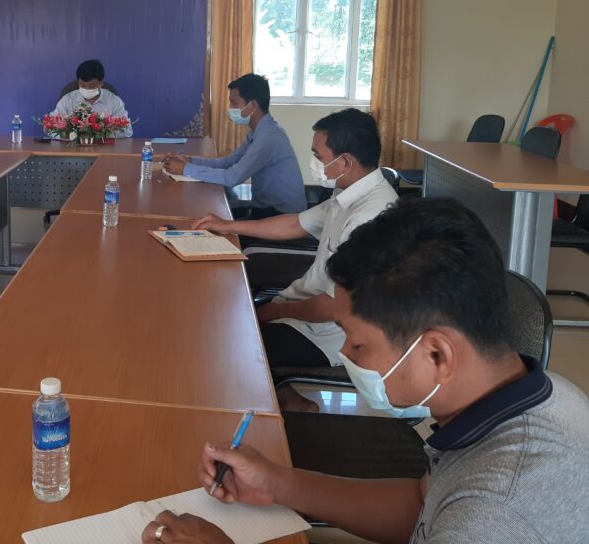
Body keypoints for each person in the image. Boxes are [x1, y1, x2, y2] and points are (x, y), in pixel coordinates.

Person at [142, 197, 589, 544]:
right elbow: (422, 506)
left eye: (358, 344)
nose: (347, 355)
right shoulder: (538, 397)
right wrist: (280, 485)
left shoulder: (496, 513)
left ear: (437, 355)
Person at [192, 108, 396, 412]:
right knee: (225, 321)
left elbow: (335, 307)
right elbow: (294, 224)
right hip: (304, 308)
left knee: (232, 347)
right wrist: (228, 225)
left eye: (318, 155)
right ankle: (287, 397)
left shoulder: (370, 216)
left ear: (345, 162)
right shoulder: (350, 192)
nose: (314, 163)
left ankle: (266, 411)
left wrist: (276, 310)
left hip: (330, 333)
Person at [163, 74, 305, 217]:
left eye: (234, 103)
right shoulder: (259, 132)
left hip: (282, 216)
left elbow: (232, 177)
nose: (230, 108)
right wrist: (189, 160)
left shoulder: (268, 137)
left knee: (206, 215)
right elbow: (228, 162)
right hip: (265, 208)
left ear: (252, 106)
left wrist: (185, 169)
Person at [51, 59, 133, 138]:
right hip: (74, 146)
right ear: (78, 83)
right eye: (82, 85)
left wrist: (101, 133)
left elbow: (127, 131)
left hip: (104, 147)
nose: (86, 89)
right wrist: (70, 135)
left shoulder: (114, 101)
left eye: (91, 86)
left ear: (101, 83)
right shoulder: (67, 100)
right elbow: (49, 128)